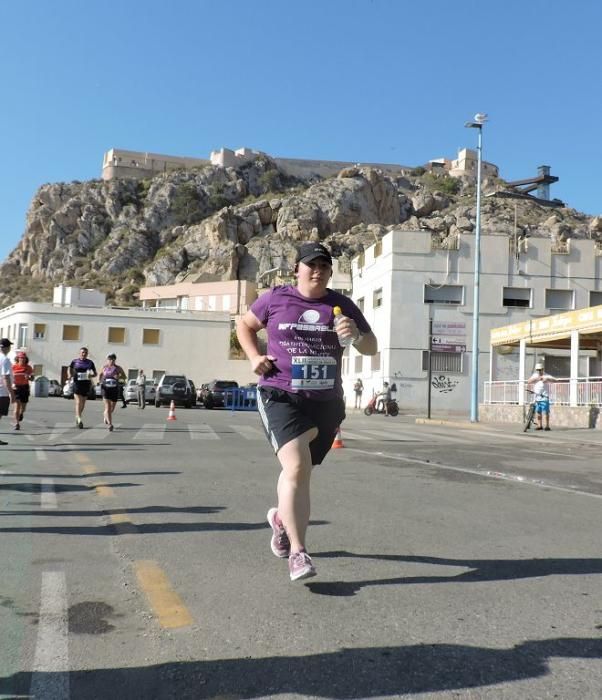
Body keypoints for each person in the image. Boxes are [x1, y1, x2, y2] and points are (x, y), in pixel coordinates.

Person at [236, 242, 378, 582]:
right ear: (296, 269)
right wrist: (255, 357)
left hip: (326, 401)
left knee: (301, 473)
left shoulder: (341, 305)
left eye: (324, 266)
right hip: (280, 393)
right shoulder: (275, 298)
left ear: (330, 272)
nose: (317, 271)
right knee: (297, 467)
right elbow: (244, 325)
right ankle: (299, 554)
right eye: (310, 265)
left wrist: (356, 334)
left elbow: (372, 348)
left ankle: (282, 520)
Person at [68, 347, 97, 428]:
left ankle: (77, 416)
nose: (84, 354)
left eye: (85, 353)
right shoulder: (75, 361)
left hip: (86, 384)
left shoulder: (90, 362)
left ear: (87, 354)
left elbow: (95, 374)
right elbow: (69, 368)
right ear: (79, 353)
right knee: (78, 402)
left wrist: (91, 375)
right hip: (77, 383)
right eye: (82, 352)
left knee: (83, 403)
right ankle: (79, 419)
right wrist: (69, 375)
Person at [98, 354, 127, 431]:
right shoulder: (104, 367)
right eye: (110, 359)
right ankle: (110, 424)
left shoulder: (118, 368)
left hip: (114, 389)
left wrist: (119, 377)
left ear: (115, 360)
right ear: (107, 360)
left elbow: (124, 377)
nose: (111, 361)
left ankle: (106, 416)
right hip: (105, 389)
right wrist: (100, 382)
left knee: (112, 408)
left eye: (113, 360)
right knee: (107, 406)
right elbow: (100, 375)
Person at [527, 362, 557, 431]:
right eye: (538, 370)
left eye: (540, 369)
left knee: (546, 412)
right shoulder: (535, 375)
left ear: (543, 369)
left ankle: (547, 426)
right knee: (538, 412)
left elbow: (555, 380)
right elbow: (529, 381)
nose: (539, 371)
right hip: (537, 397)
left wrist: (548, 380)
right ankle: (539, 425)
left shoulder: (546, 375)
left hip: (544, 397)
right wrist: (537, 379)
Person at [11, 351, 34, 431]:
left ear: (26, 359)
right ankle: (17, 423)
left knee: (23, 407)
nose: (22, 359)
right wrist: (11, 385)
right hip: (16, 388)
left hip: (25, 387)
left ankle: (21, 413)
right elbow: (9, 377)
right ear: (17, 358)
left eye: (24, 358)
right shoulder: (13, 367)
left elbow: (32, 378)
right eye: (21, 358)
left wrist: (29, 377)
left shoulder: (28, 367)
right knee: (17, 406)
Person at [0, 338, 16, 445]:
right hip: (2, 392)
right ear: (7, 347)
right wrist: (11, 393)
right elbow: (6, 377)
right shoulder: (5, 359)